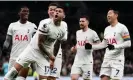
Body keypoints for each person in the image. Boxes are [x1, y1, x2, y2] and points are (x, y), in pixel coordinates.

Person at [3, 5, 67, 80]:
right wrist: (50, 56)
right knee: (13, 72)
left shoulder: (63, 28)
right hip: (32, 50)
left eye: (59, 12)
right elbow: (40, 44)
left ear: (63, 16)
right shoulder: (45, 24)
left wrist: (53, 58)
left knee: (44, 78)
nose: (56, 13)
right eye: (56, 11)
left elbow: (57, 44)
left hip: (43, 55)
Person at [85, 9, 131, 80]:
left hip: (117, 60)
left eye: (110, 13)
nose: (108, 15)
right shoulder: (106, 29)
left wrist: (115, 46)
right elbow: (103, 44)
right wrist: (91, 46)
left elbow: (128, 43)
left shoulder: (122, 27)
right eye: (107, 14)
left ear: (116, 15)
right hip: (107, 59)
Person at [2, 6, 37, 80]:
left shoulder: (33, 26)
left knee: (20, 79)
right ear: (19, 13)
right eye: (24, 11)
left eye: (27, 11)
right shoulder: (12, 25)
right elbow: (7, 41)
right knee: (10, 78)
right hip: (13, 58)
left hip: (25, 59)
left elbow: (36, 42)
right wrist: (5, 49)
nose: (26, 13)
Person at [37, 3, 68, 80]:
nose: (53, 11)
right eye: (51, 10)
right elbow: (39, 41)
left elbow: (61, 41)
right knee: (42, 77)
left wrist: (52, 58)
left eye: (55, 10)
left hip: (56, 53)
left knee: (51, 77)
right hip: (43, 53)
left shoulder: (63, 24)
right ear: (48, 11)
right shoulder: (43, 22)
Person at [71, 15, 100, 80]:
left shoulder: (92, 33)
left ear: (87, 22)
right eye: (80, 21)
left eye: (83, 21)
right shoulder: (77, 32)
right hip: (77, 61)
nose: (81, 23)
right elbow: (78, 44)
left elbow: (99, 44)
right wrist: (74, 48)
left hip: (87, 62)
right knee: (73, 78)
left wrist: (91, 45)